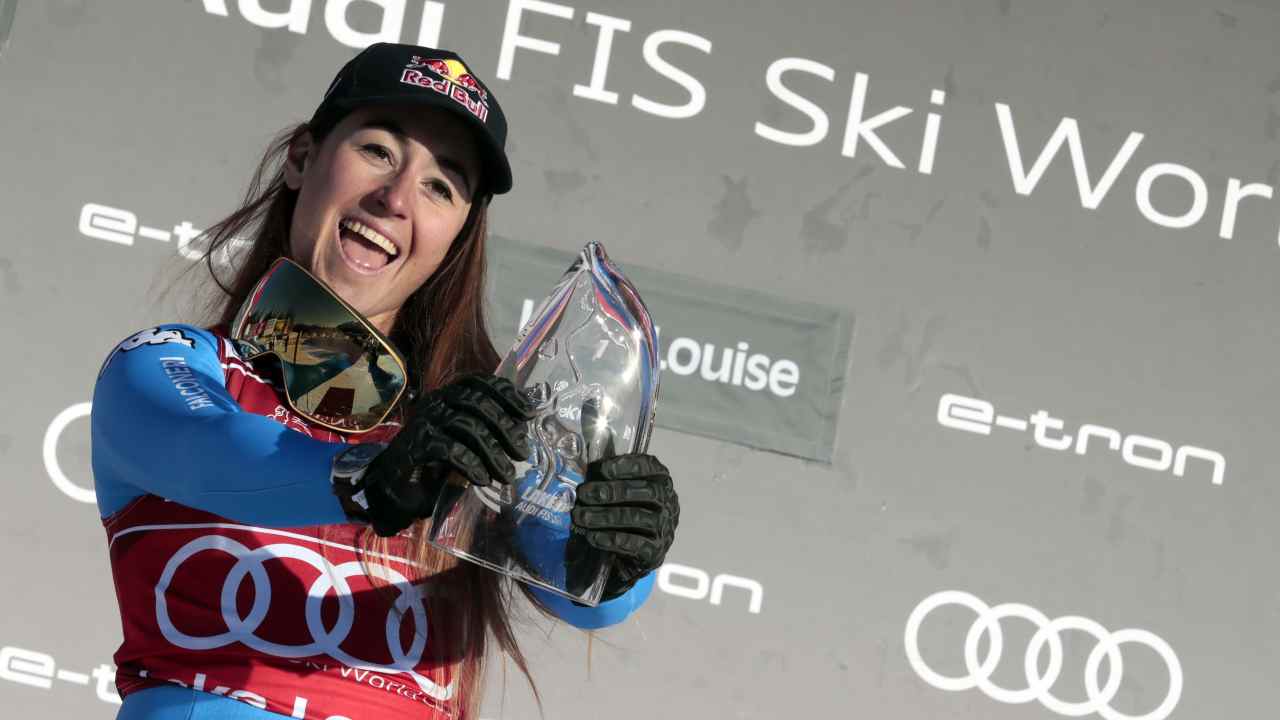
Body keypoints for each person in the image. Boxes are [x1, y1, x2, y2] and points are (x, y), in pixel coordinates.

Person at [90, 43, 680, 720]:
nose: (396, 198)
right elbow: (208, 449)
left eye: (441, 186)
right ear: (302, 158)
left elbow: (580, 586)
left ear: (458, 235)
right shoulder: (175, 364)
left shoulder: (464, 435)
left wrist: (613, 550)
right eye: (377, 150)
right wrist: (370, 476)